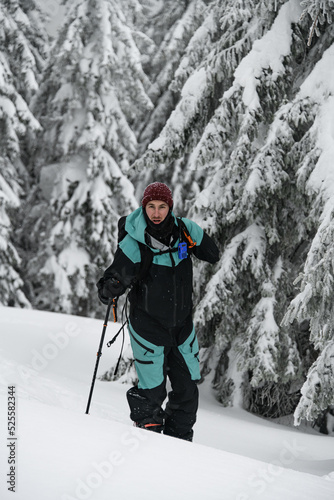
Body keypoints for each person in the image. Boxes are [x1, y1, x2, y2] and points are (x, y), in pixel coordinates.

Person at [97, 182, 219, 441]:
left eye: (162, 207)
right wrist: (111, 287)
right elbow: (112, 279)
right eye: (151, 206)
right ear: (144, 207)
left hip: (182, 329)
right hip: (148, 328)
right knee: (151, 392)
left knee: (187, 392)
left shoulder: (185, 231)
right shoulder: (135, 243)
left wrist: (195, 237)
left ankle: (178, 444)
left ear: (170, 208)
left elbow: (213, 254)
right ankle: (148, 444)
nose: (156, 212)